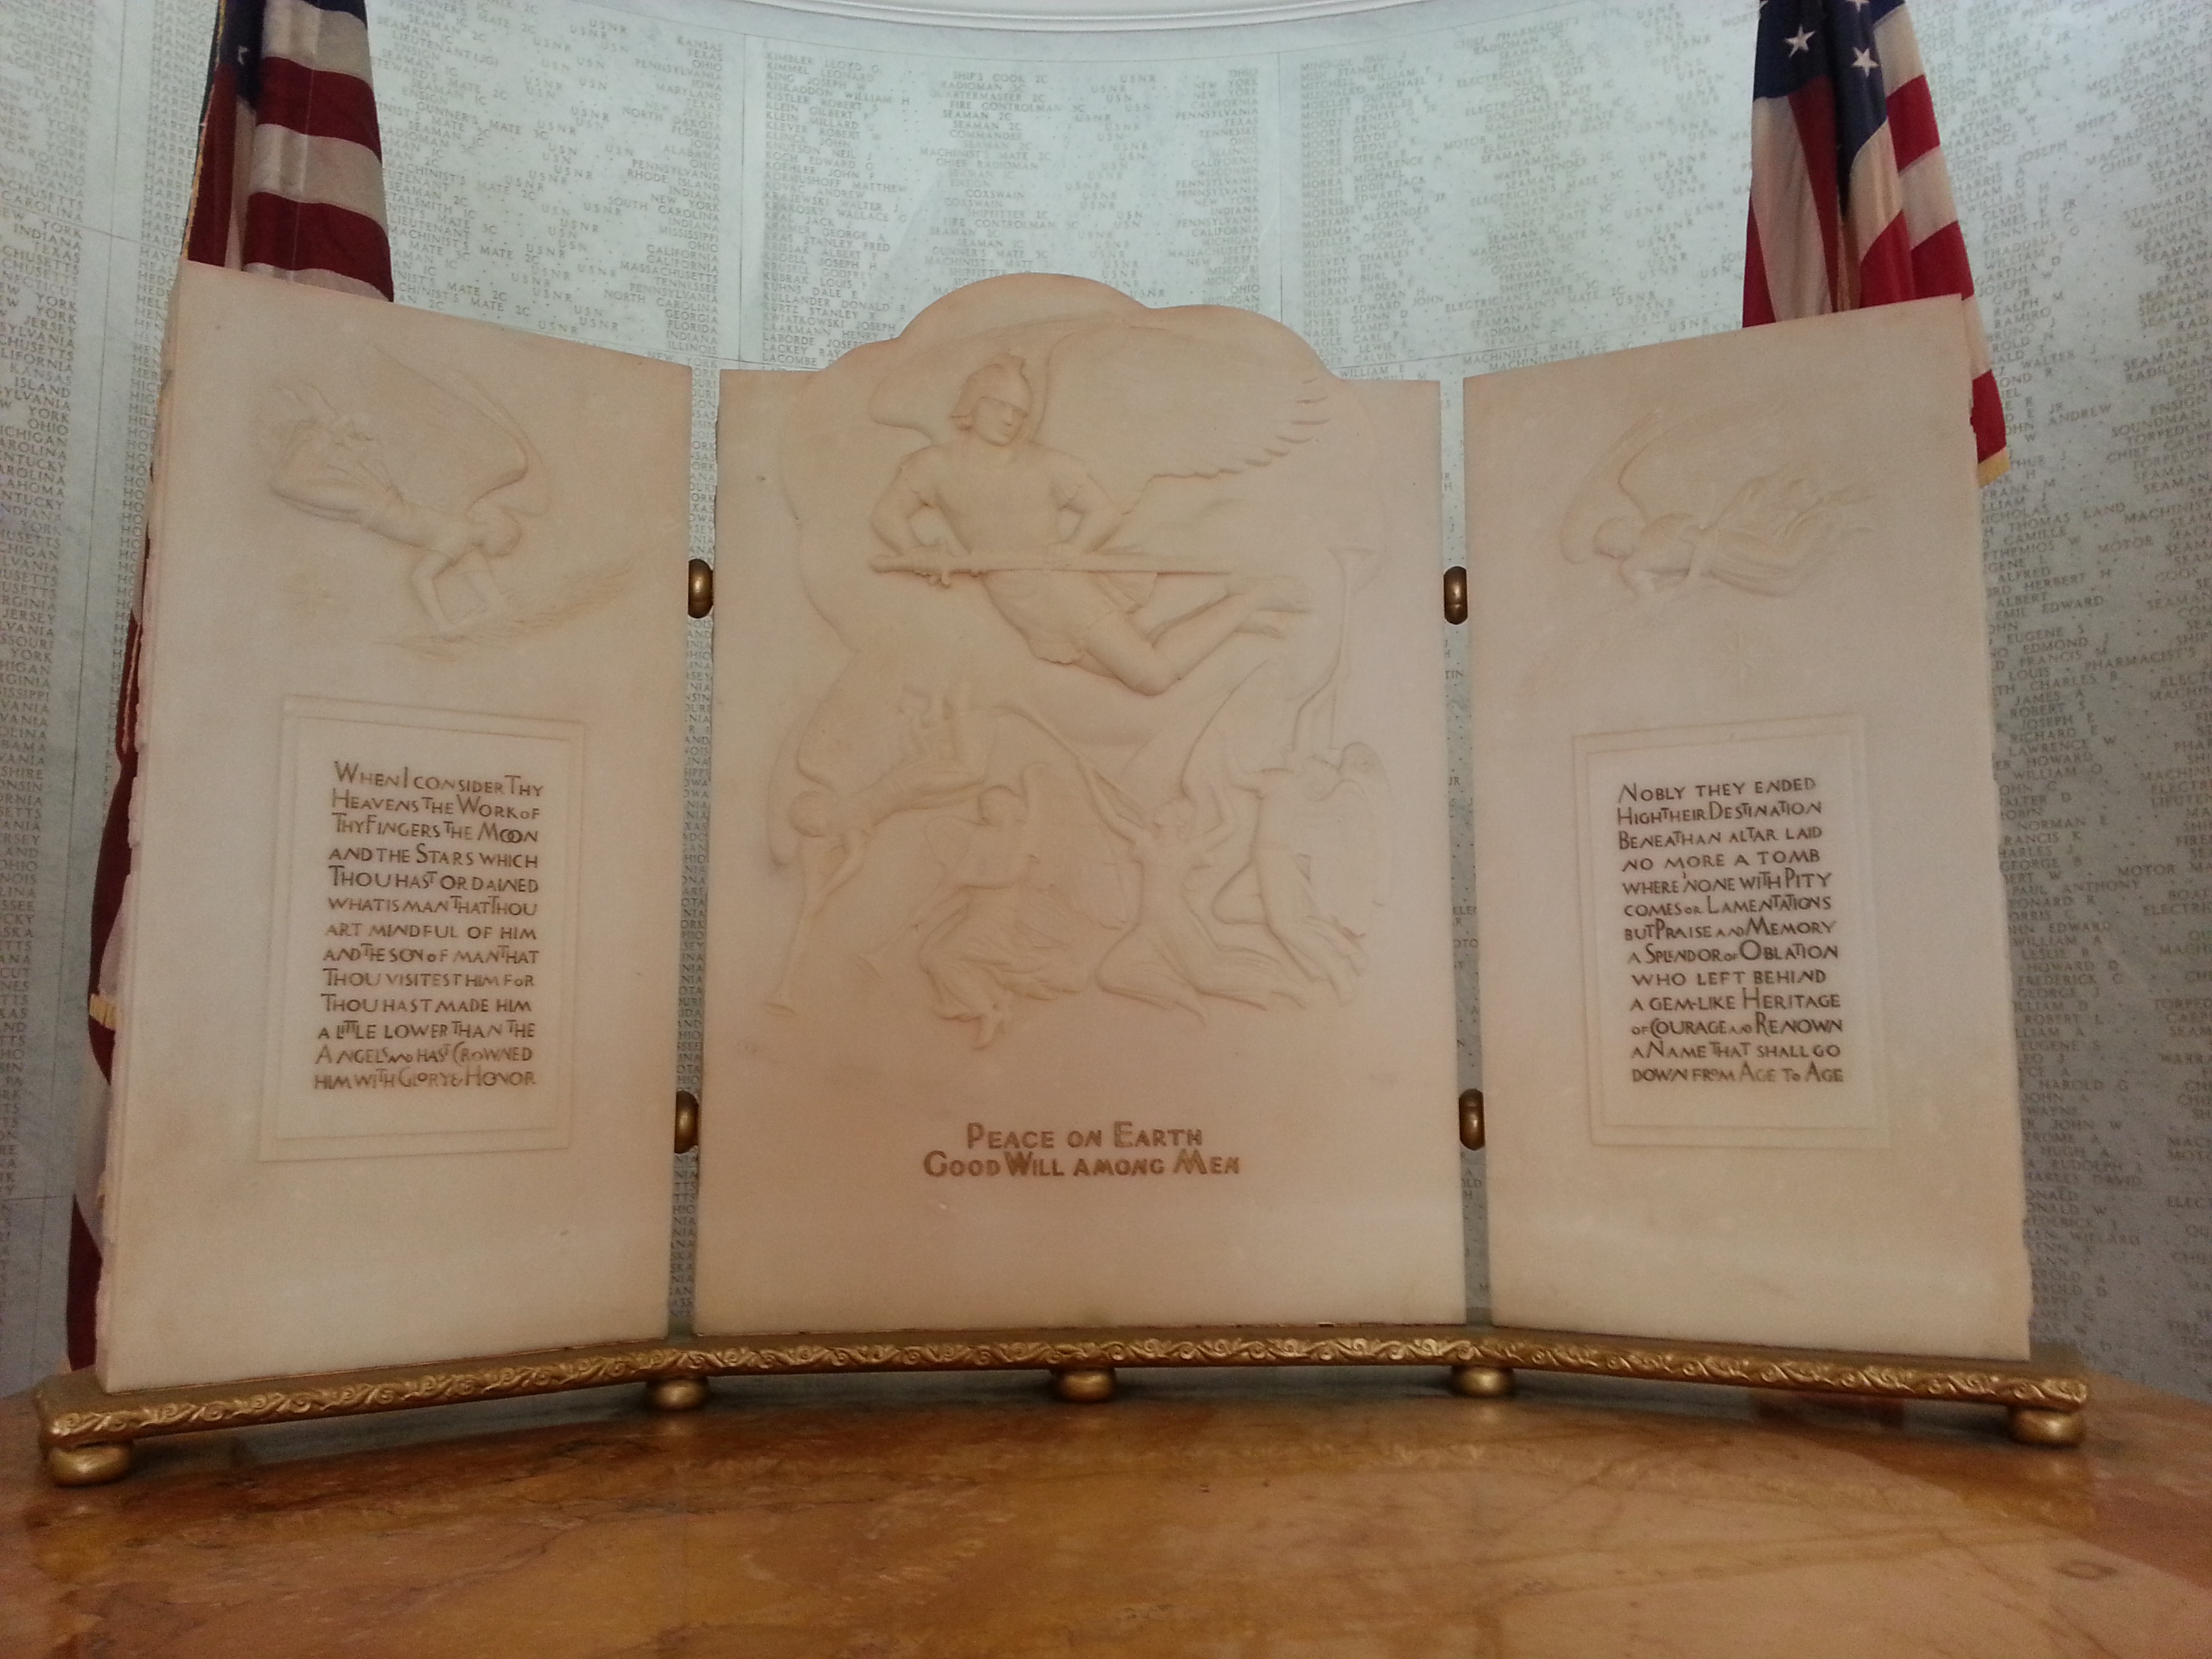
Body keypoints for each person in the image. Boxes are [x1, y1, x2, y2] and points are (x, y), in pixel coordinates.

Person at [868, 354, 1307, 695]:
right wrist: (916, 551)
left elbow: (1104, 512)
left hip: (1058, 584)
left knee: (1151, 677)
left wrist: (1074, 550)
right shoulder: (934, 466)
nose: (1009, 419)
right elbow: (886, 515)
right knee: (1134, 670)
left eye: (1020, 412)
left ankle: (1252, 599)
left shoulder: (1045, 464)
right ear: (972, 402)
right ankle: (1229, 623)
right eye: (999, 405)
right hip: (1012, 597)